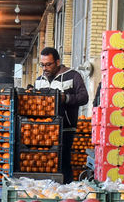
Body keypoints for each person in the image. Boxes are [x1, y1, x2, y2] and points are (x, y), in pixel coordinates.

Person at [34, 47, 89, 183]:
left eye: (48, 64)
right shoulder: (39, 80)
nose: (45, 68)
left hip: (66, 127)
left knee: (64, 162)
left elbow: (84, 97)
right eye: (43, 65)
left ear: (57, 62)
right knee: (46, 162)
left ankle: (66, 191)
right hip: (44, 129)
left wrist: (66, 98)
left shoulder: (73, 75)